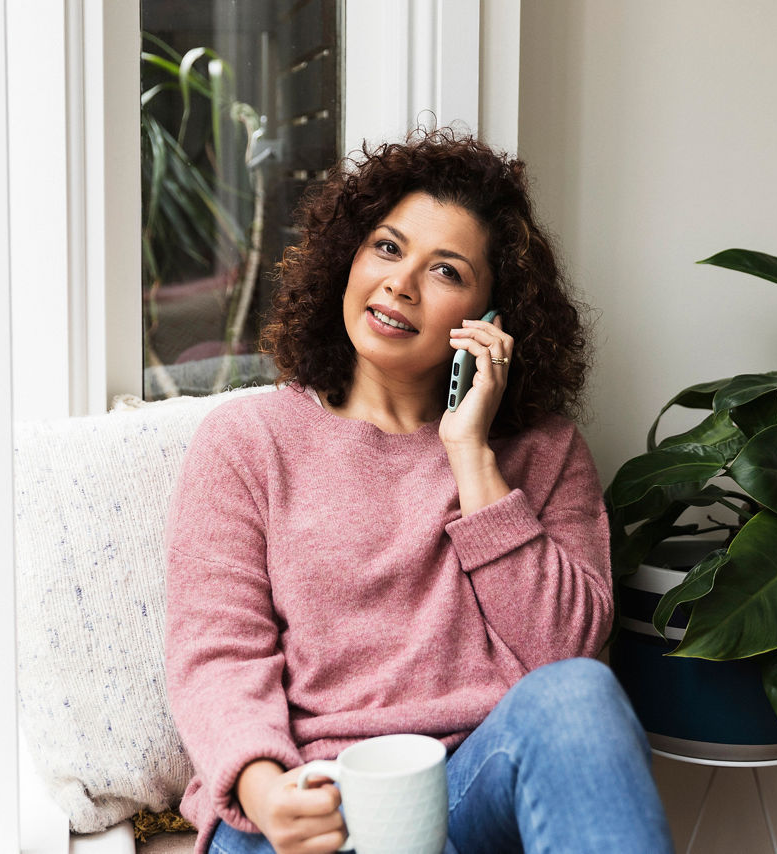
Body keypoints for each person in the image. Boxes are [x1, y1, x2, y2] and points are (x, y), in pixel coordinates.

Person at [164, 128, 672, 854]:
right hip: (311, 798)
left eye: (447, 272)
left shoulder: (543, 452)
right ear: (349, 258)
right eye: (388, 247)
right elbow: (216, 657)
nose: (400, 283)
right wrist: (265, 791)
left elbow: (567, 659)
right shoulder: (249, 441)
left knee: (581, 698)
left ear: (492, 319)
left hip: (467, 790)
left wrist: (471, 456)